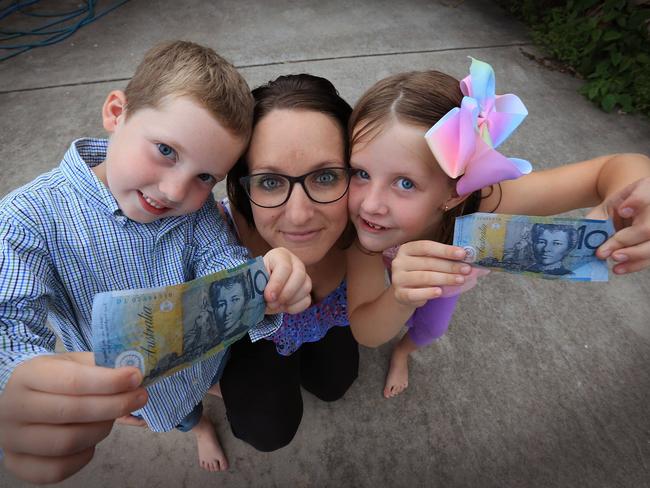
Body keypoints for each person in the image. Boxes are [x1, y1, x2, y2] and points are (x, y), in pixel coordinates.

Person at [0, 41, 312, 483]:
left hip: (199, 361)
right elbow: (7, 323)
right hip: (142, 389)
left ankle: (203, 403)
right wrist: (12, 382)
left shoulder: (197, 210)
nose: (174, 191)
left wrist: (267, 281)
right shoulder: (25, 220)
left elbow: (221, 262)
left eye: (205, 176)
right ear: (116, 112)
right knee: (179, 416)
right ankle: (199, 425)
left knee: (197, 388)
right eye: (166, 150)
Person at [346, 58, 650, 399]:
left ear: (454, 191)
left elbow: (611, 169)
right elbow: (366, 330)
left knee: (432, 327)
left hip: (449, 274)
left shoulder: (488, 198)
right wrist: (399, 296)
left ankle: (403, 352)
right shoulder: (362, 236)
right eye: (360, 173)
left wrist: (639, 192)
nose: (370, 204)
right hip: (392, 272)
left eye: (404, 182)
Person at [215, 74, 358, 452]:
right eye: (270, 182)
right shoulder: (213, 237)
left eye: (325, 176)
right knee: (267, 431)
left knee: (334, 384)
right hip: (254, 344)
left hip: (329, 324)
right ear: (240, 186)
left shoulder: (369, 224)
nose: (298, 216)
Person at [209, 273, 250, 343]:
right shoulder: (210, 343)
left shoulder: (248, 336)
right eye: (221, 304)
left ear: (245, 301)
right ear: (214, 309)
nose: (227, 311)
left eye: (235, 300)